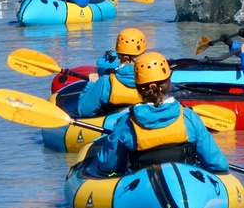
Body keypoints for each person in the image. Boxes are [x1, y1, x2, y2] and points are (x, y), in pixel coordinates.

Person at [95, 51, 229, 176]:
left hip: (142, 188)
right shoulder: (189, 117)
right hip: (186, 181)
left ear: (138, 87)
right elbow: (218, 164)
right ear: (168, 82)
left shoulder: (126, 124)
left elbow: (106, 165)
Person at [76, 28, 147, 117]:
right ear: (143, 53)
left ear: (118, 53)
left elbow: (83, 111)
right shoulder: (153, 80)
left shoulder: (105, 82)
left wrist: (92, 84)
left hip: (112, 126)